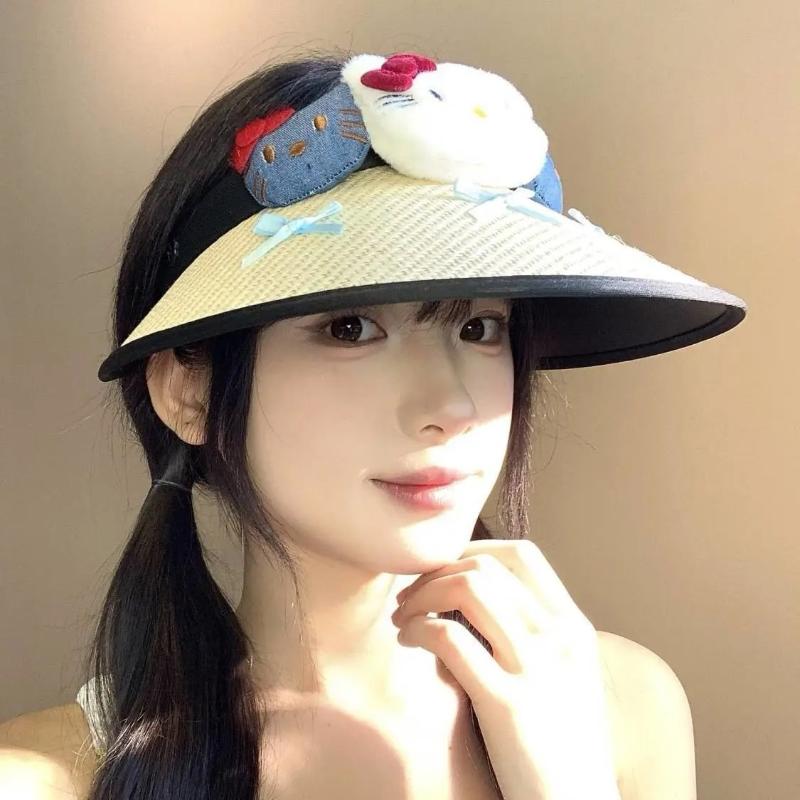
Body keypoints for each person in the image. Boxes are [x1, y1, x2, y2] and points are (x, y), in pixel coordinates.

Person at [1, 48, 745, 800]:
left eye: (480, 328)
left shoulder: (621, 704)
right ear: (189, 392)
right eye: (350, 328)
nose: (450, 407)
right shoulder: (47, 779)